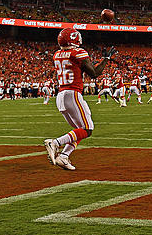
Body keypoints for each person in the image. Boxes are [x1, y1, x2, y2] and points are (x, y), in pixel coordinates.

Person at [43, 28, 113, 171]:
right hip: (73, 94)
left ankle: (63, 156)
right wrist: (106, 60)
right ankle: (55, 142)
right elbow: (94, 73)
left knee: (79, 129)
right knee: (88, 129)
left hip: (61, 95)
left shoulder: (57, 54)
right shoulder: (78, 52)